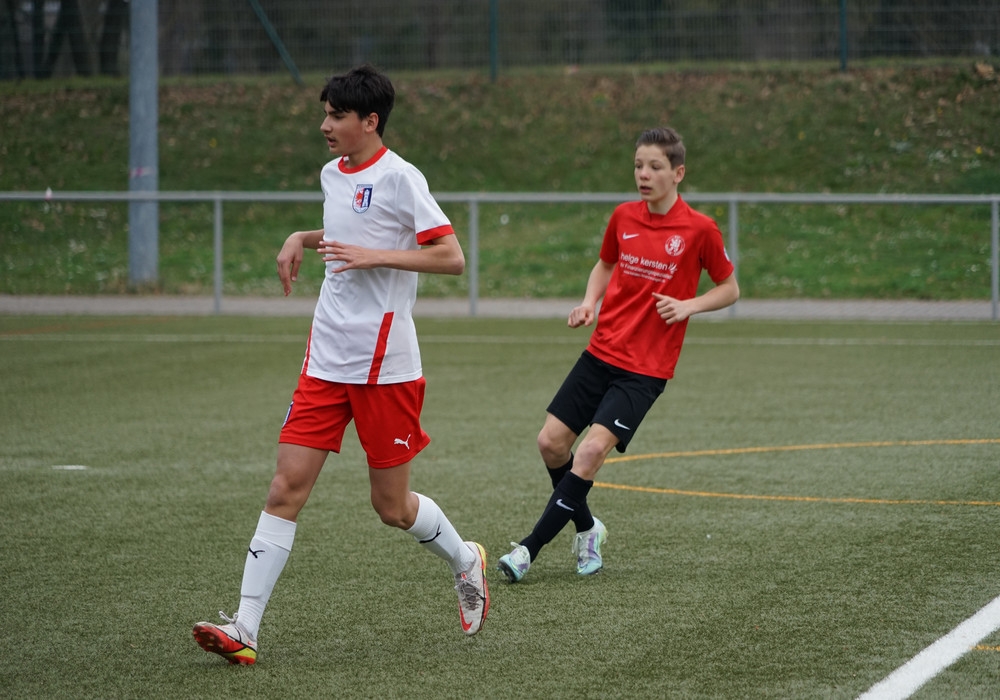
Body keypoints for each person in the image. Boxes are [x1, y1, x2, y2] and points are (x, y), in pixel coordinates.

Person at [193, 64, 489, 665]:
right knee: (285, 487)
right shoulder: (333, 173)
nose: (325, 125)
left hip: (386, 367)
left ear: (370, 121)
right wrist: (300, 238)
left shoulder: (402, 177)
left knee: (391, 508)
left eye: (336, 116)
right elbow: (347, 224)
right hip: (325, 359)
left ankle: (465, 560)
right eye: (325, 114)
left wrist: (375, 256)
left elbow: (451, 257)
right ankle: (245, 628)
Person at [497, 126, 739, 583]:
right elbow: (605, 263)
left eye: (655, 166)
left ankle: (528, 550)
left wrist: (689, 305)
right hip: (601, 351)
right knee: (550, 443)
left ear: (678, 173)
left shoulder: (699, 229)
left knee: (589, 452)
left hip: (644, 370)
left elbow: (730, 288)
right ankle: (588, 527)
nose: (643, 174)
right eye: (638, 165)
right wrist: (590, 302)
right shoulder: (624, 216)